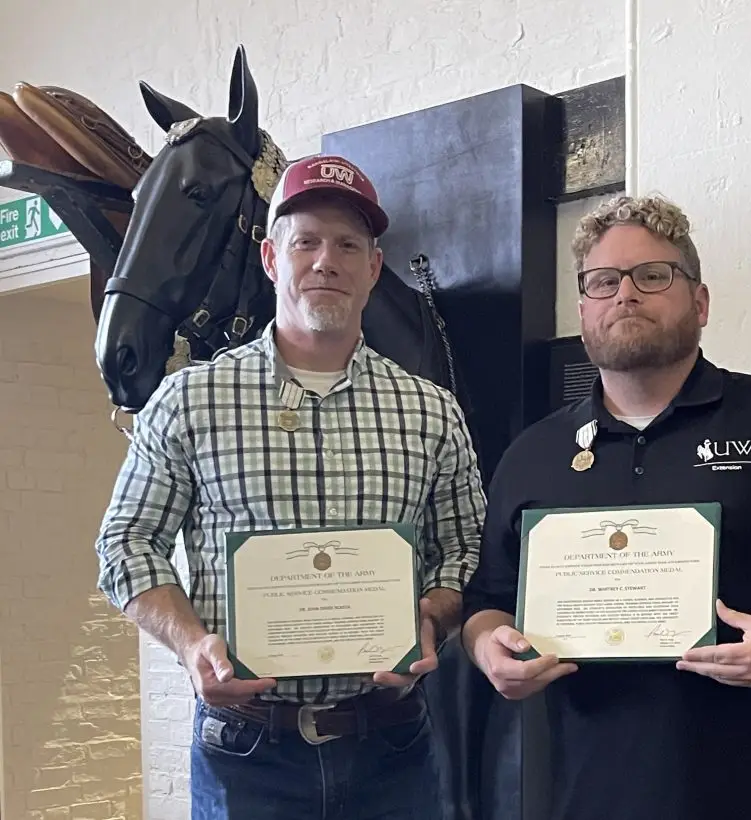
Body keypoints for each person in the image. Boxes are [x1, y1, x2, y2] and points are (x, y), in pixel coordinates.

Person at [460, 193, 751, 820]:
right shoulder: (532, 454)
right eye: (603, 282)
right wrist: (490, 648)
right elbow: (487, 599)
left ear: (699, 303)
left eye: (652, 276)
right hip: (585, 796)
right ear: (582, 310)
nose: (625, 294)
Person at [95, 153, 486, 819]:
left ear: (373, 267)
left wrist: (431, 618)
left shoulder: (430, 410)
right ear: (273, 261)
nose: (326, 260)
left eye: (346, 244)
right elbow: (127, 544)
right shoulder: (189, 401)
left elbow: (466, 545)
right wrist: (193, 646)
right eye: (305, 241)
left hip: (393, 748)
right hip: (246, 757)